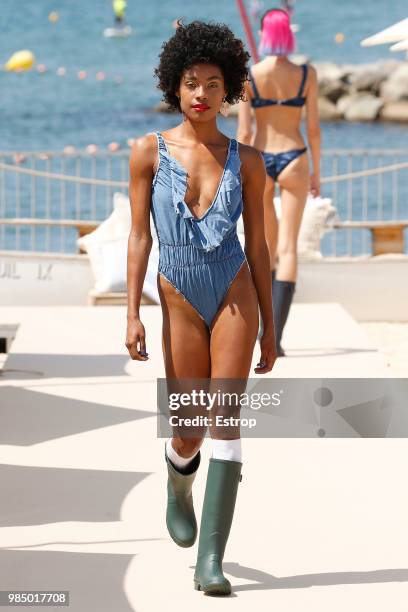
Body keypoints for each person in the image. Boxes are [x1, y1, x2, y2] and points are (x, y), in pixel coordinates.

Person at [126, 20, 277, 596]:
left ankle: (210, 563)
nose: (201, 94)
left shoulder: (249, 160)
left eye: (214, 84)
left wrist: (270, 327)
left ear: (230, 89)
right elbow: (140, 236)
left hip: (234, 286)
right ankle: (177, 479)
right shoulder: (148, 152)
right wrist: (133, 312)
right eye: (192, 82)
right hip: (177, 294)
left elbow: (259, 246)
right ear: (175, 85)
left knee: (225, 418)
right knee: (188, 429)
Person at [237, 7, 321, 357]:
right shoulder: (306, 74)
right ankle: (277, 339)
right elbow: (313, 129)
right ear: (289, 33)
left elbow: (244, 132)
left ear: (263, 33)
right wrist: (318, 172)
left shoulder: (250, 76)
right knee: (288, 248)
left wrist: (236, 175)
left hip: (260, 161)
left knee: (264, 249)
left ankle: (263, 331)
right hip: (295, 158)